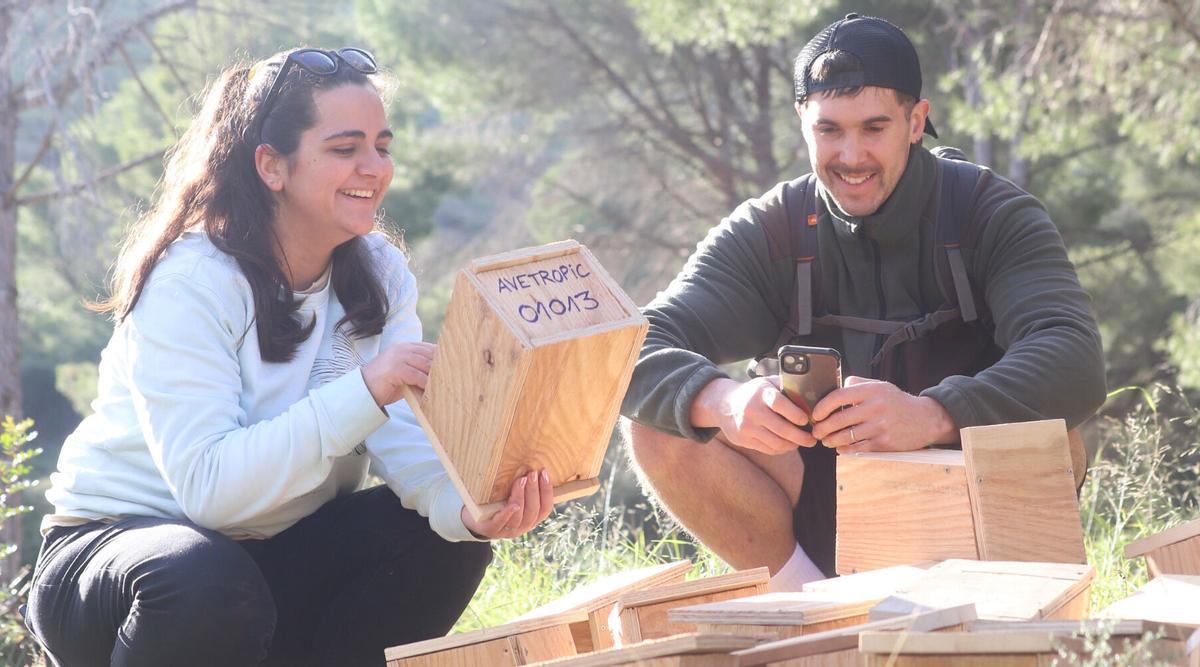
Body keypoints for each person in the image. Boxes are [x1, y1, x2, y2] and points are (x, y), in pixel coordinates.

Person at [25, 47, 554, 667]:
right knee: (206, 581)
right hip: (122, 562)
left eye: (382, 146)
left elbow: (403, 437)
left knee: (441, 540)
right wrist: (365, 390)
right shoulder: (191, 280)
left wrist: (462, 507)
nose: (374, 168)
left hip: (262, 561)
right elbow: (211, 494)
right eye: (344, 148)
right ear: (271, 166)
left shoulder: (380, 269)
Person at [619, 14, 1105, 591]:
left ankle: (1013, 610)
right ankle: (808, 611)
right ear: (802, 122)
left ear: (916, 121)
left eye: (874, 128)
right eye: (830, 130)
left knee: (1057, 438)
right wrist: (721, 400)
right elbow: (629, 348)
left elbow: (1075, 358)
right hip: (823, 490)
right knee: (662, 423)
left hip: (969, 489)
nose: (852, 156)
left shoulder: (993, 213)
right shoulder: (768, 230)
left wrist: (932, 416)